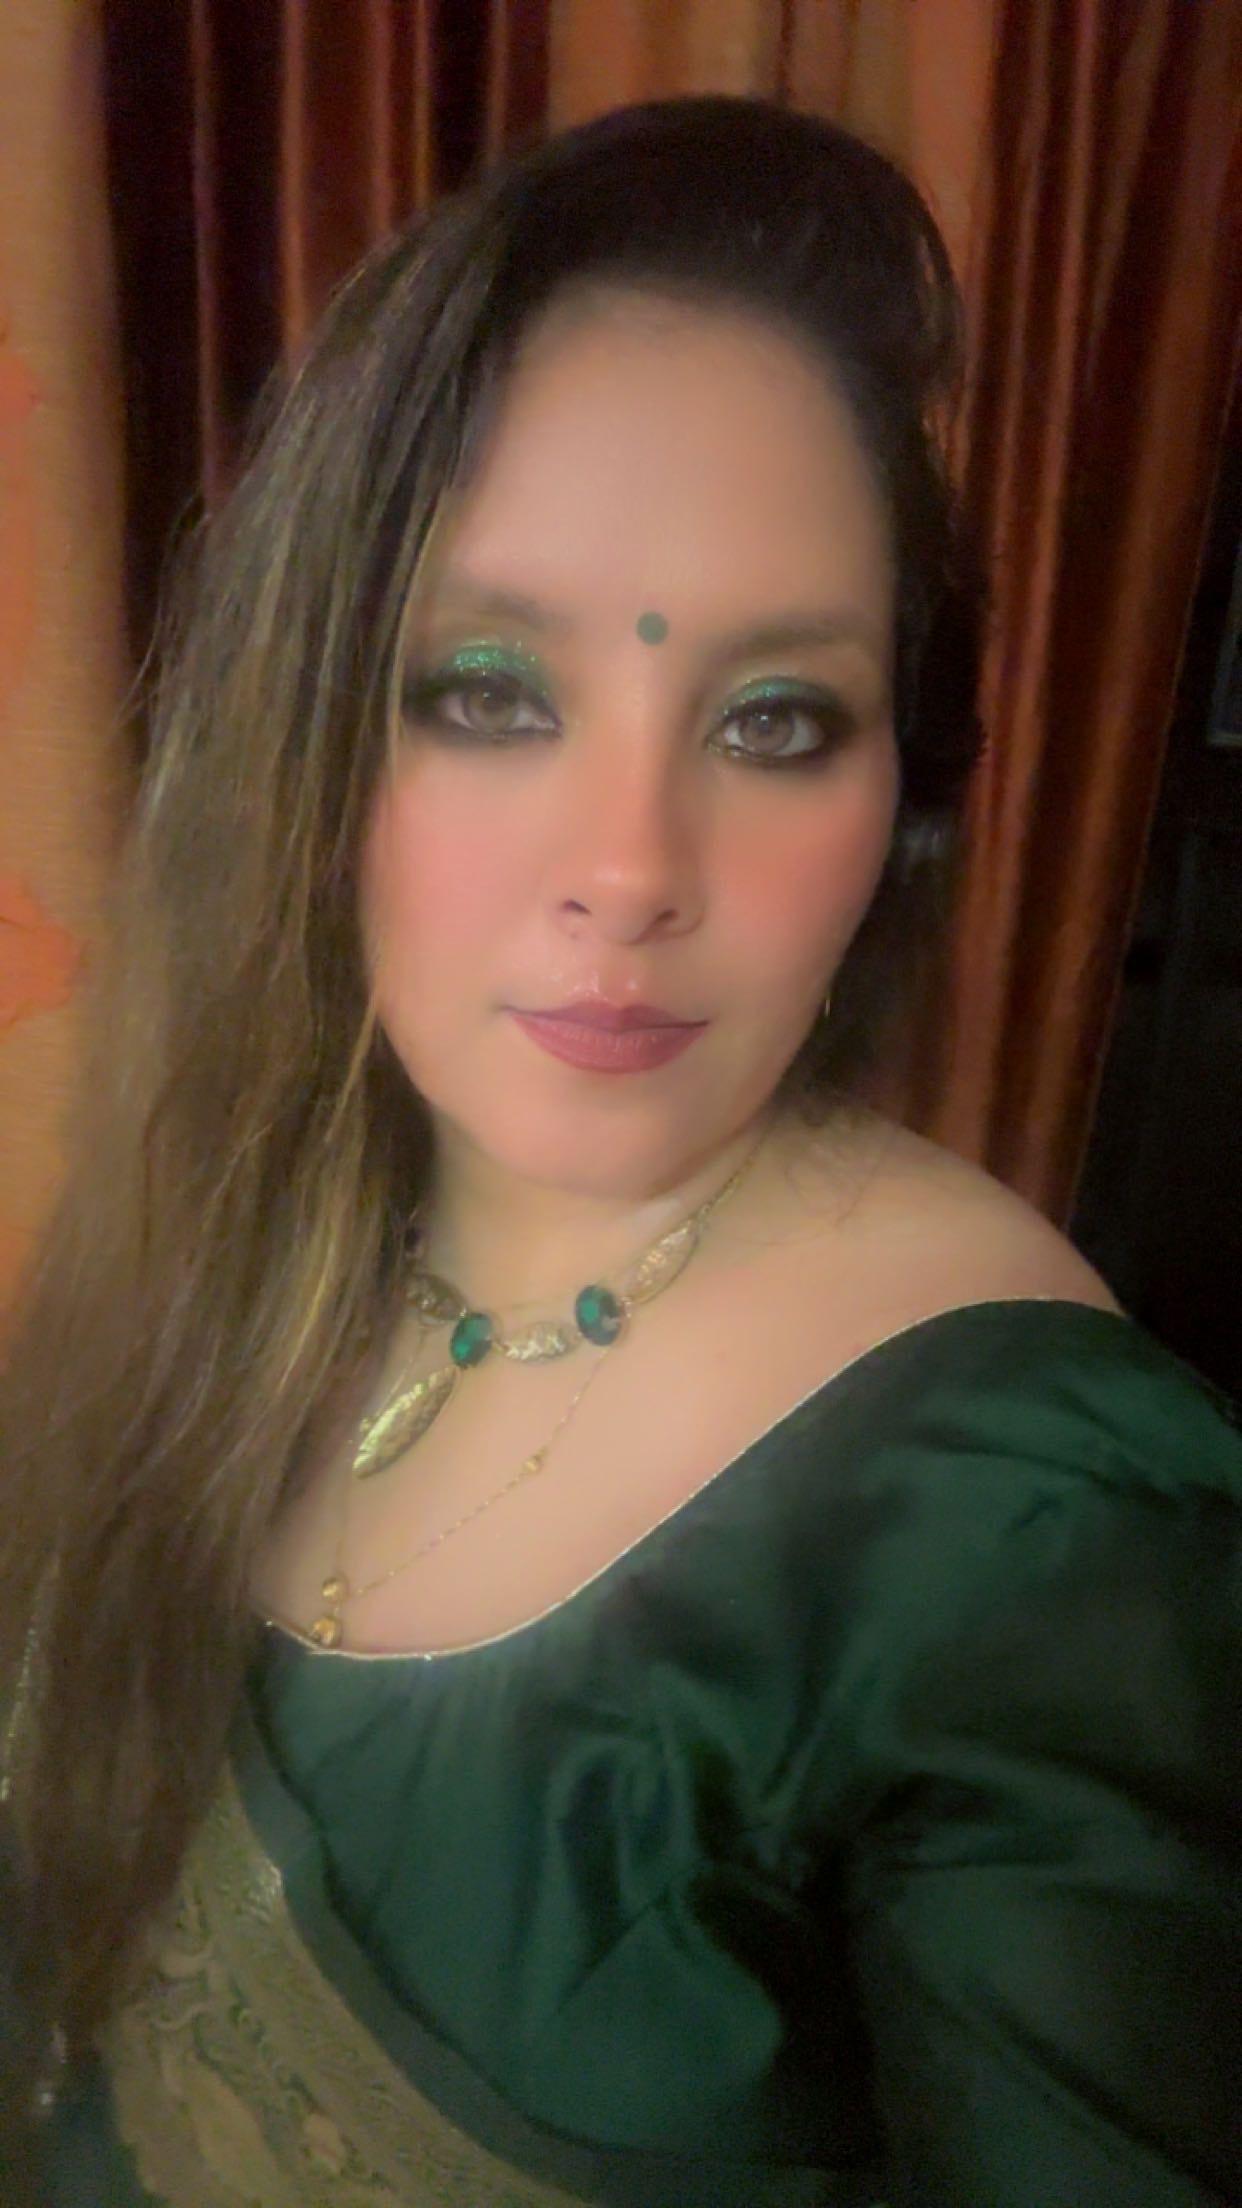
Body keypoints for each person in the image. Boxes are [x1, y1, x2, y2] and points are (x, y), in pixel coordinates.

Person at [1, 92, 1238, 2208]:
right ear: (313, 725)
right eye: (489, 691)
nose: (632, 865)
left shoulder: (1026, 1523)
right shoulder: (250, 1213)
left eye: (775, 721)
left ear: (902, 800)